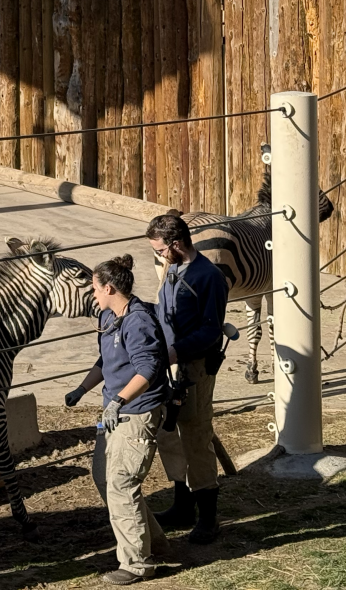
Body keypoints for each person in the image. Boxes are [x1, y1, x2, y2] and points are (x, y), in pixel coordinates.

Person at [63, 255, 168, 584]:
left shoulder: (138, 321)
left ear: (109, 288)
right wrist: (81, 390)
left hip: (135, 413)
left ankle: (137, 563)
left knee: (122, 484)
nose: (92, 294)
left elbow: (148, 369)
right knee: (103, 476)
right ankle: (156, 544)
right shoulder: (110, 316)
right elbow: (104, 359)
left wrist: (120, 400)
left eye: (94, 288)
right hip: (113, 411)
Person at [147, 212, 229, 545]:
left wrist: (176, 351)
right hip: (170, 364)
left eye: (160, 250)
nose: (159, 256)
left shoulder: (208, 276)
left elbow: (211, 329)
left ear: (176, 244)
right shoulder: (172, 269)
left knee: (195, 435)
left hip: (193, 366)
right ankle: (183, 504)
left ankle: (208, 517)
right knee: (171, 434)